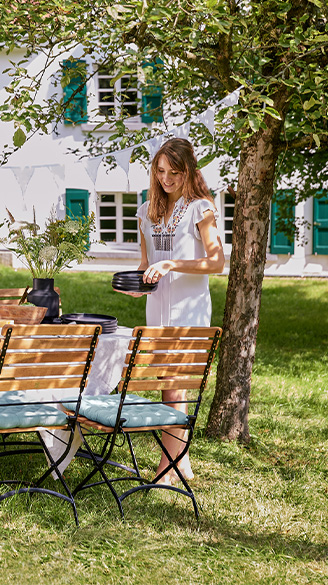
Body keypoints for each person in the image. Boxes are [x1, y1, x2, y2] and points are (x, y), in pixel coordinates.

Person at [121, 137, 225, 485]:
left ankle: (166, 468)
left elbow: (216, 262)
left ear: (188, 171)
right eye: (161, 171)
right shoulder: (146, 211)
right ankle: (182, 463)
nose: (167, 179)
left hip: (189, 310)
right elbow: (146, 264)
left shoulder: (201, 209)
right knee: (168, 386)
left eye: (175, 173)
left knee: (175, 385)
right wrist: (135, 285)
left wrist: (172, 264)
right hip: (157, 312)